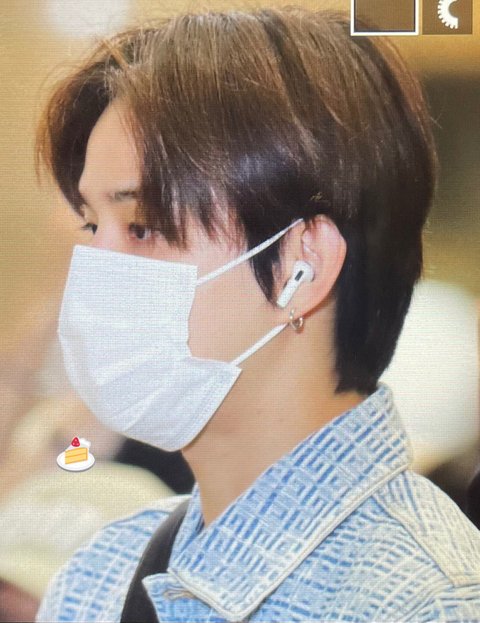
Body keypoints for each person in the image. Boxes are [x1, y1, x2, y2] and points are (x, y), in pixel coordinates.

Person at [34, 6, 480, 622]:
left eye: (142, 226)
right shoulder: (97, 575)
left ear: (302, 267)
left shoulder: (429, 601)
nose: (95, 269)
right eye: (91, 226)